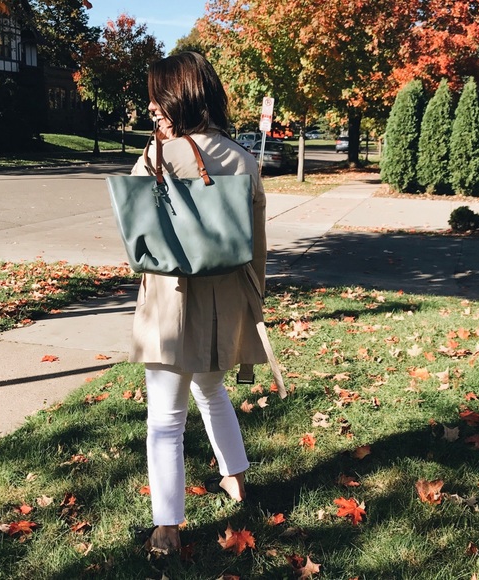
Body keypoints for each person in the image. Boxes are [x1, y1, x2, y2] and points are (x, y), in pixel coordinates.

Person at [129, 51, 269, 555]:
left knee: (166, 419)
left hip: (170, 306)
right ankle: (236, 479)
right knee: (213, 393)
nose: (152, 108)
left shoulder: (157, 158)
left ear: (179, 97)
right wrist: (255, 302)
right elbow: (257, 246)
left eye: (157, 99)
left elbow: (136, 240)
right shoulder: (242, 159)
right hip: (224, 306)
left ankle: (167, 527)